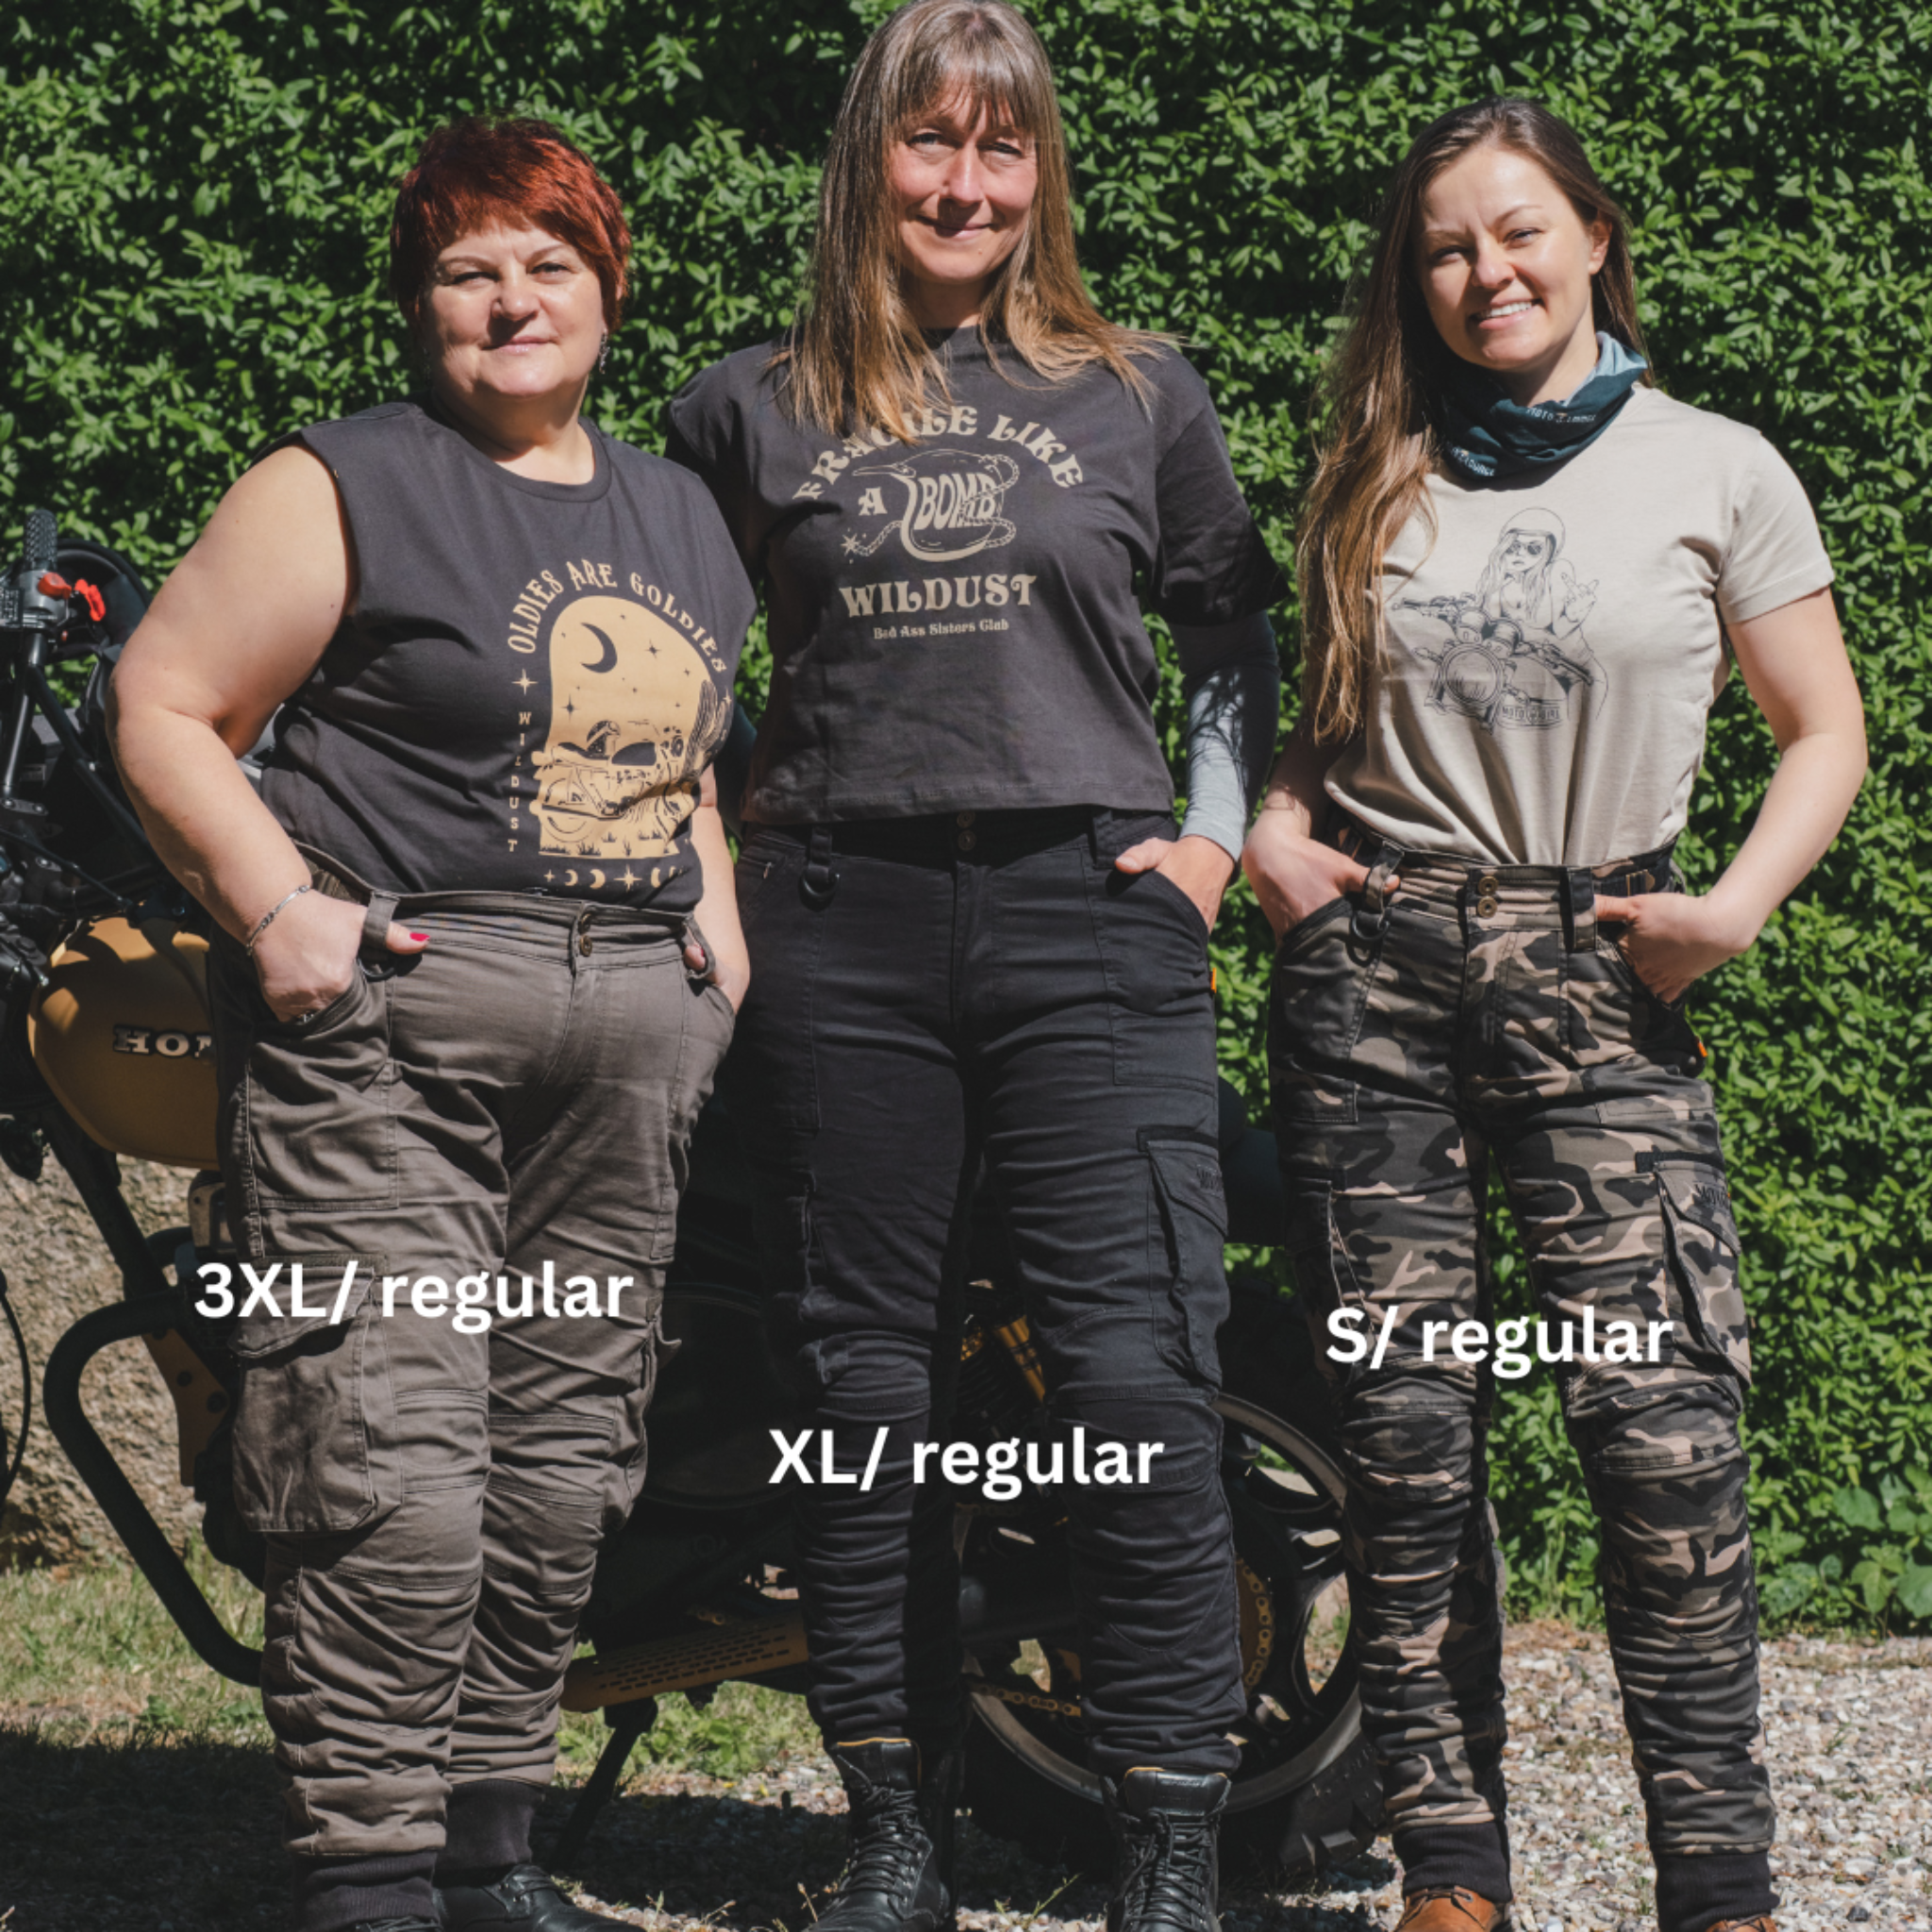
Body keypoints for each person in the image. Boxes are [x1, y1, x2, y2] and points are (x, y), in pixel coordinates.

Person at [665, 5, 1284, 1928]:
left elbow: (1238, 642)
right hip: (838, 927)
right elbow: (660, 678)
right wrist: (717, 884)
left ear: (1041, 175)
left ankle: (1170, 1822)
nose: (963, 185)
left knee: (1130, 1366)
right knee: (863, 1387)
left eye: (999, 150)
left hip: (1083, 922)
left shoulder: (1137, 389)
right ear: (870, 160)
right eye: (929, 145)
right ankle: (896, 1829)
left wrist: (1202, 846)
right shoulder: (743, 406)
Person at [109, 117, 754, 1932]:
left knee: (559, 1476)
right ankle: (372, 1878)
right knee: (393, 1474)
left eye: (547, 261)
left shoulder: (677, 510)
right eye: (468, 268)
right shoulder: (344, 482)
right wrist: (280, 911)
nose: (511, 298)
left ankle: (490, 1856)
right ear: (420, 307)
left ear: (606, 288)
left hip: (626, 1048)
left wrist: (714, 950)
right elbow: (162, 705)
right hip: (392, 1042)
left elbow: (685, 757)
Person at [1242, 97, 1866, 1932]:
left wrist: (1732, 910)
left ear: (1592, 232)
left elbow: (1822, 725)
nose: (1482, 271)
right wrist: (1277, 827)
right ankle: (1451, 1876)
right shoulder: (1373, 459)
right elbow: (1320, 720)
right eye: (1443, 247)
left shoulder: (1713, 465)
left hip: (1598, 976)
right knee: (1403, 1446)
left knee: (1663, 1435)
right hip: (1374, 982)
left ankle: (1719, 1886)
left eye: (1514, 232)